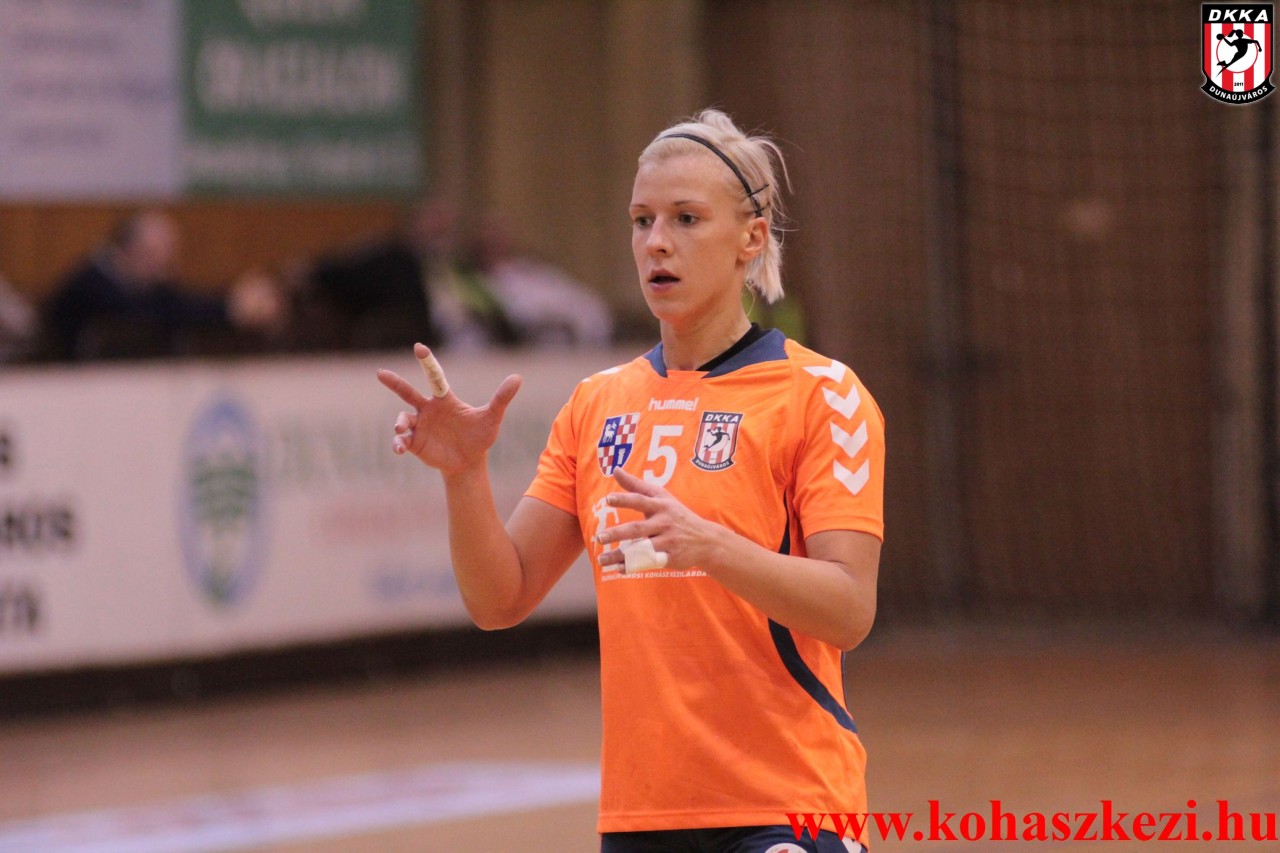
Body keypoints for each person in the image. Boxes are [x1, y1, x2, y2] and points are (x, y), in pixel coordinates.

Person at [377, 109, 884, 853]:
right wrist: (464, 474)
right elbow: (499, 598)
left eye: (686, 218)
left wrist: (709, 546)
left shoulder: (821, 395)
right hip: (643, 816)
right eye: (642, 220)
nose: (657, 242)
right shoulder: (597, 404)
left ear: (750, 238)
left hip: (790, 802)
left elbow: (849, 609)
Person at [40, 209, 282, 361]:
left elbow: (176, 303)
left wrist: (236, 303)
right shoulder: (89, 284)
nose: (164, 268)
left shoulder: (147, 285)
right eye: (155, 256)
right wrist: (229, 308)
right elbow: (152, 314)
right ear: (130, 250)